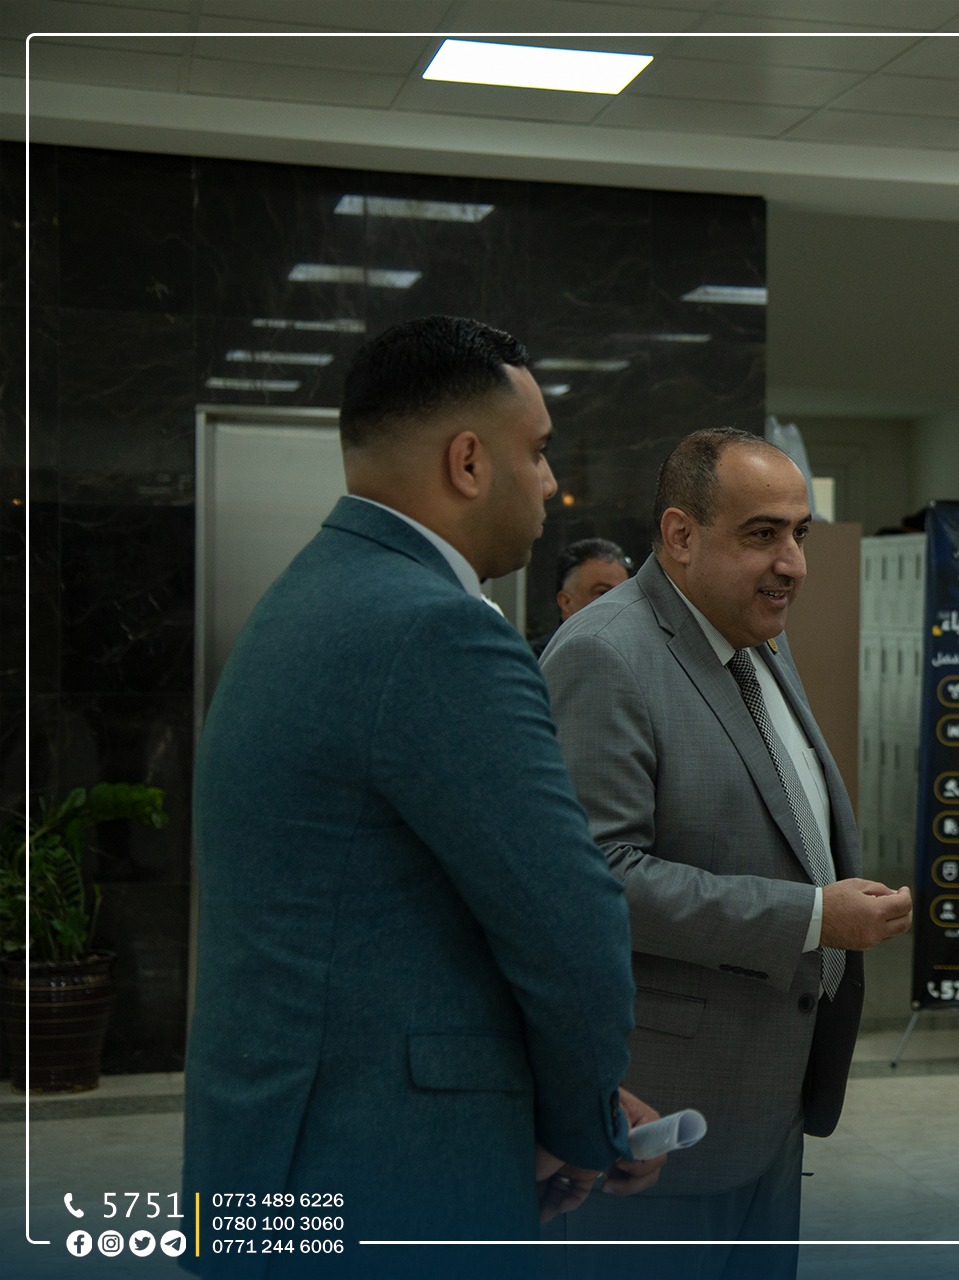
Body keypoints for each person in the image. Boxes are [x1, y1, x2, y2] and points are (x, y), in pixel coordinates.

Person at [183, 316, 658, 1274]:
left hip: (272, 1149)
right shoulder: (440, 633)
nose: (548, 484)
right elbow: (566, 922)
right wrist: (583, 1122)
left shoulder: (306, 598)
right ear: (468, 462)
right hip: (381, 1169)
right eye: (537, 452)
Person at [540, 426, 913, 1280]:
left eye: (800, 534)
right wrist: (812, 918)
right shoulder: (606, 654)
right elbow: (599, 875)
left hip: (767, 1106)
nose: (793, 564)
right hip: (661, 1127)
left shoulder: (755, 641)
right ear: (680, 535)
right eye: (762, 534)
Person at [529, 538, 634, 654]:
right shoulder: (535, 660)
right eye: (603, 593)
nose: (618, 603)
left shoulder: (638, 652)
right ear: (566, 602)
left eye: (623, 593)